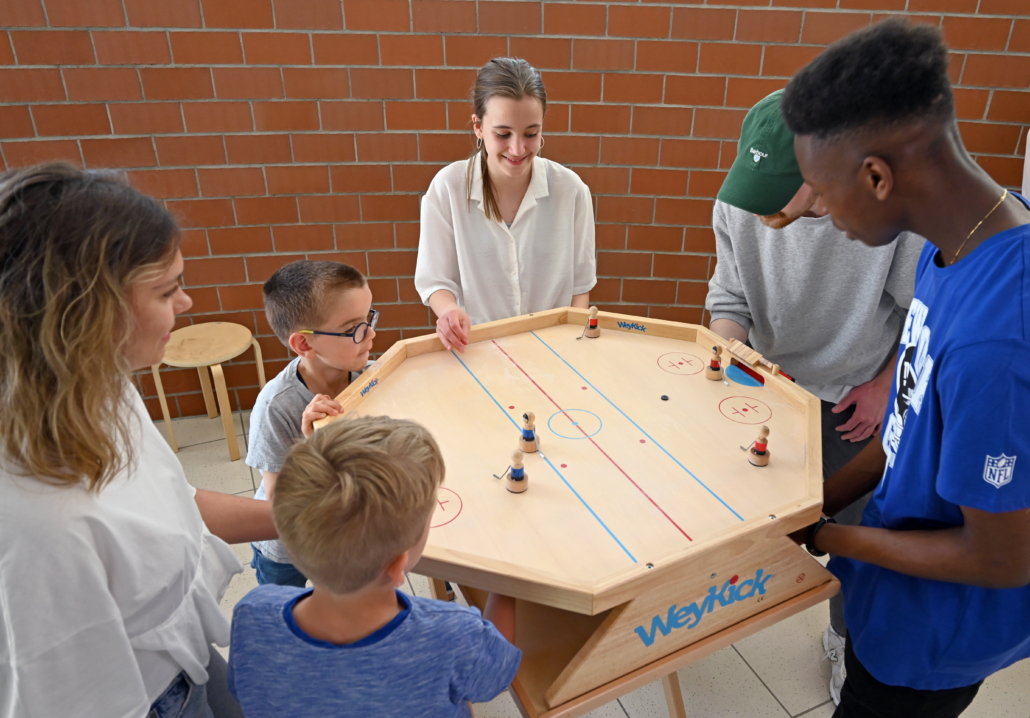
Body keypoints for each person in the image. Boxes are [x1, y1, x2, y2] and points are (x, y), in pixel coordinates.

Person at [782, 18, 1030, 717]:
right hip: (888, 597)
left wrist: (829, 538)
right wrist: (816, 505)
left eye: (823, 192)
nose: (824, 214)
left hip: (931, 645)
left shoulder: (999, 344)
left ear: (877, 176)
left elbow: (1003, 559)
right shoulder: (951, 245)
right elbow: (905, 424)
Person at [0, 163, 278, 718]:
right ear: (82, 312)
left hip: (185, 659)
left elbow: (175, 503)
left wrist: (315, 512)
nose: (187, 304)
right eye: (167, 289)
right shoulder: (31, 526)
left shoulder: (92, 379)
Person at [706, 90, 924, 703]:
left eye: (787, 195)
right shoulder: (737, 203)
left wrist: (886, 383)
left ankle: (845, 644)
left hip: (853, 404)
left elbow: (925, 311)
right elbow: (728, 300)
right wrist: (735, 349)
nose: (763, 212)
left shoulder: (885, 215)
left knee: (854, 544)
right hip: (768, 391)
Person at [227, 415, 521, 717]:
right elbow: (494, 677)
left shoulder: (251, 614)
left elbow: (244, 690)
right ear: (397, 566)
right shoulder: (454, 634)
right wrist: (504, 583)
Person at [415, 57, 596, 353]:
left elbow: (580, 289)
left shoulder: (571, 190)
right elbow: (435, 280)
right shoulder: (448, 187)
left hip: (555, 352)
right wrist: (448, 311)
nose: (517, 149)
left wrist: (571, 352)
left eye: (530, 134)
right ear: (478, 127)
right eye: (503, 134)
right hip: (478, 350)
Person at [247, 260, 376, 587]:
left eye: (369, 318)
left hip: (340, 532)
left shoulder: (369, 376)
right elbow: (277, 503)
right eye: (353, 329)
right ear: (304, 344)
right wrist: (313, 445)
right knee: (283, 612)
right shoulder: (276, 406)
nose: (371, 333)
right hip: (286, 548)